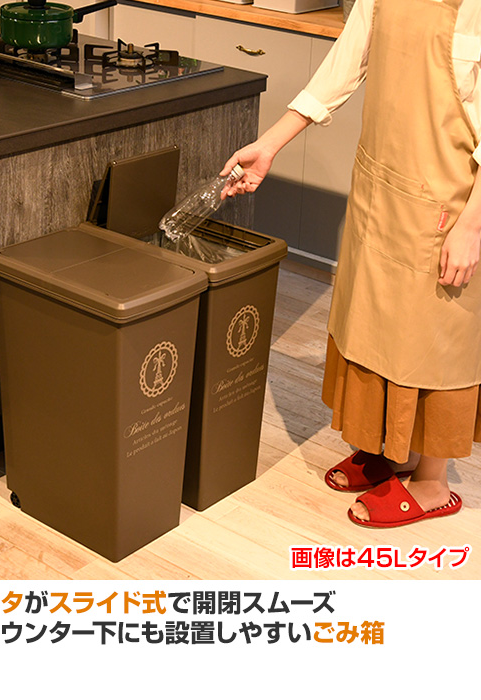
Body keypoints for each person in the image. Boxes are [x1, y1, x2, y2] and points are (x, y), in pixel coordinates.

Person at [221, 0, 481, 528]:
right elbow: (345, 61)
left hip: (452, 198)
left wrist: (473, 227)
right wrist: (269, 144)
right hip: (382, 182)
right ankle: (397, 451)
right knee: (381, 322)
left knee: (437, 335)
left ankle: (433, 481)